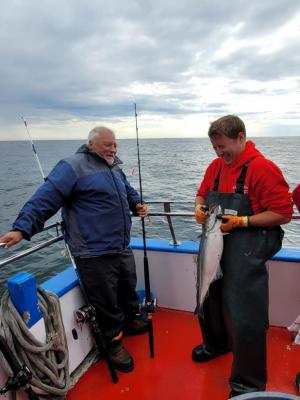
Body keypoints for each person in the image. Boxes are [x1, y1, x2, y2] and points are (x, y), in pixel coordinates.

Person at [0, 126, 148, 373]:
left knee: (126, 286)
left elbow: (127, 191)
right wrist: (22, 229)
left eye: (115, 144)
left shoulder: (114, 167)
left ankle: (131, 320)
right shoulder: (72, 166)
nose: (112, 149)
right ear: (91, 145)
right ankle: (113, 345)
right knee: (106, 300)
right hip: (93, 252)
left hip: (120, 245)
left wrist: (137, 203)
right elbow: (45, 198)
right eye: (107, 145)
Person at [193, 115, 293, 398]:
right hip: (215, 241)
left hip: (248, 246)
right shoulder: (215, 167)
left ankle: (247, 382)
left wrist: (242, 222)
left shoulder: (262, 168)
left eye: (222, 146)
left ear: (241, 138)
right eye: (214, 148)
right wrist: (199, 207)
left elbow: (283, 212)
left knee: (244, 312)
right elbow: (201, 195)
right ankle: (216, 344)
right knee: (208, 296)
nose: (219, 153)